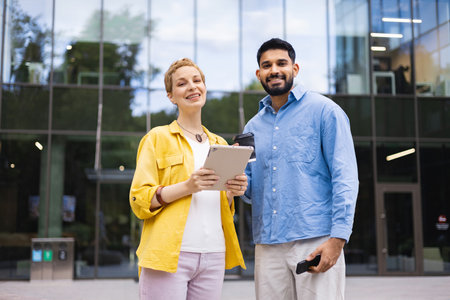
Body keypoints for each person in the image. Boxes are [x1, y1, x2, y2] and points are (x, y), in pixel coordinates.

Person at [242, 38, 359, 299]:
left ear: (295, 69)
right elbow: (250, 189)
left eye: (281, 63)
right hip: (267, 244)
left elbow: (346, 178)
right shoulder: (251, 128)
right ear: (259, 73)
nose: (274, 70)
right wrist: (237, 185)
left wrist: (338, 238)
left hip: (315, 239)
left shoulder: (326, 111)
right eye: (266, 65)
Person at [129, 58, 247, 300]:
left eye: (197, 80)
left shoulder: (220, 144)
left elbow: (223, 207)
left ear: (204, 87)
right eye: (182, 83)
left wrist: (232, 192)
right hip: (169, 254)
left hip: (214, 254)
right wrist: (187, 186)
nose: (192, 87)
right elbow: (139, 200)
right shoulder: (157, 138)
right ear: (171, 96)